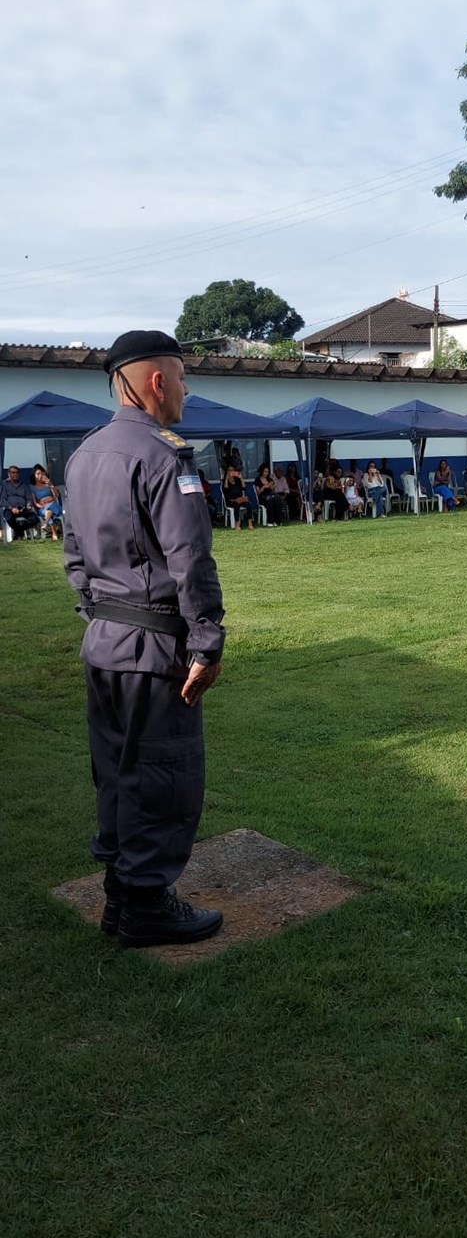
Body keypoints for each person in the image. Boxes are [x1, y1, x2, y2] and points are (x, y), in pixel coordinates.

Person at [63, 329, 225, 948]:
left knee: (117, 769)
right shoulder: (164, 456)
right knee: (164, 774)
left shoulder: (84, 454)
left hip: (105, 641)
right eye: (182, 377)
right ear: (157, 381)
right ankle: (146, 907)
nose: (186, 390)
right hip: (156, 648)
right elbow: (190, 558)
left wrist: (100, 615)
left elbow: (74, 555)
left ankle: (119, 899)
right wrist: (206, 643)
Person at [1, 465, 39, 539]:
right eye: (13, 472)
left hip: (23, 509)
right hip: (10, 509)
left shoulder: (24, 486)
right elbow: (2, 500)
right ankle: (20, 532)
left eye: (17, 472)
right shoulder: (4, 485)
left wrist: (29, 505)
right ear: (8, 474)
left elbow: (28, 499)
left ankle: (18, 531)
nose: (15, 474)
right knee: (8, 517)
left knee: (34, 518)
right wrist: (11, 508)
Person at [30, 464, 63, 539]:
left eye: (42, 473)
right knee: (49, 510)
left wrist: (51, 484)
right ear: (34, 476)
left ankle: (45, 524)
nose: (40, 475)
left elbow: (57, 496)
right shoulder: (32, 487)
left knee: (51, 506)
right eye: (38, 474)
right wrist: (41, 506)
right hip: (42, 508)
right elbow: (35, 502)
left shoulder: (48, 484)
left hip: (55, 505)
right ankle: (54, 532)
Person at [223, 463, 254, 529]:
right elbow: (225, 490)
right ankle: (237, 523)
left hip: (240, 499)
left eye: (232, 470)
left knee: (248, 504)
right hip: (231, 500)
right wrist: (226, 479)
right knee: (236, 505)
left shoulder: (237, 480)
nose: (231, 471)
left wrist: (241, 478)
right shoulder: (225, 481)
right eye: (229, 470)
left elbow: (244, 488)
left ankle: (250, 522)